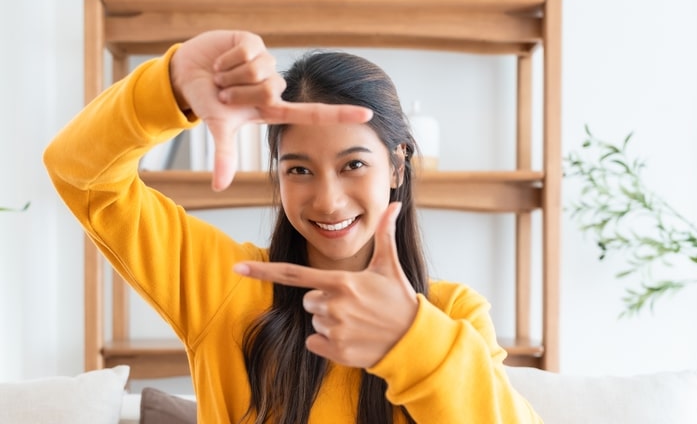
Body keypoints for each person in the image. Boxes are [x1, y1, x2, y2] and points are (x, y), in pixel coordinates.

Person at [44, 30, 541, 424]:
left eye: (353, 165)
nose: (327, 200)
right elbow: (79, 173)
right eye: (299, 170)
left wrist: (414, 341)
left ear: (396, 166)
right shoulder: (226, 286)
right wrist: (168, 85)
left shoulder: (452, 314)